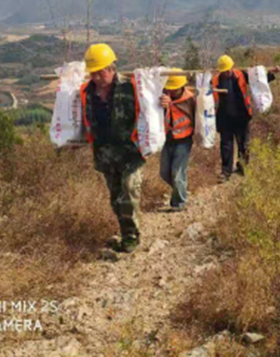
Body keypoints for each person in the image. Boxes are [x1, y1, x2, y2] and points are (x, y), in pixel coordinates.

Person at [79, 43, 145, 253]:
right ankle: (126, 233)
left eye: (101, 72)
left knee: (129, 191)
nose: (97, 77)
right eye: (93, 73)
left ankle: (131, 237)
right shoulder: (85, 91)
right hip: (105, 154)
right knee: (116, 198)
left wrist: (164, 102)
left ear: (112, 68)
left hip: (130, 153)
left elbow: (151, 107)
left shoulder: (131, 87)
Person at [212, 55, 280, 182]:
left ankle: (243, 167)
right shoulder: (215, 81)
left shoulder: (241, 75)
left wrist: (271, 73)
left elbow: (259, 81)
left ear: (232, 67)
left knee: (244, 144)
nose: (227, 72)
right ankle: (226, 172)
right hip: (224, 118)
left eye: (228, 69)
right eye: (224, 70)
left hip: (241, 116)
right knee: (226, 146)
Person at [158, 68, 196, 211]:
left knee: (177, 174)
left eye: (174, 89)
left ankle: (178, 204)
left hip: (184, 140)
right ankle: (181, 190)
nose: (171, 91)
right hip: (167, 140)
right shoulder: (163, 97)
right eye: (169, 89)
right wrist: (163, 106)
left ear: (182, 86)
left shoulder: (190, 99)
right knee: (164, 173)